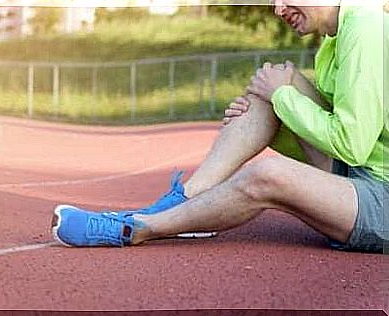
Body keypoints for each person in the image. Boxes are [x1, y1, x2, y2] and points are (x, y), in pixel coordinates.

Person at [51, 0, 388, 253]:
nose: (277, 8)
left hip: (382, 200)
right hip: (360, 175)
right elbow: (347, 139)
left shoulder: (366, 27)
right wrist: (274, 108)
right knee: (271, 89)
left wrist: (283, 99)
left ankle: (139, 227)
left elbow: (351, 143)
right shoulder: (335, 38)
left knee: (267, 174)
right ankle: (187, 198)